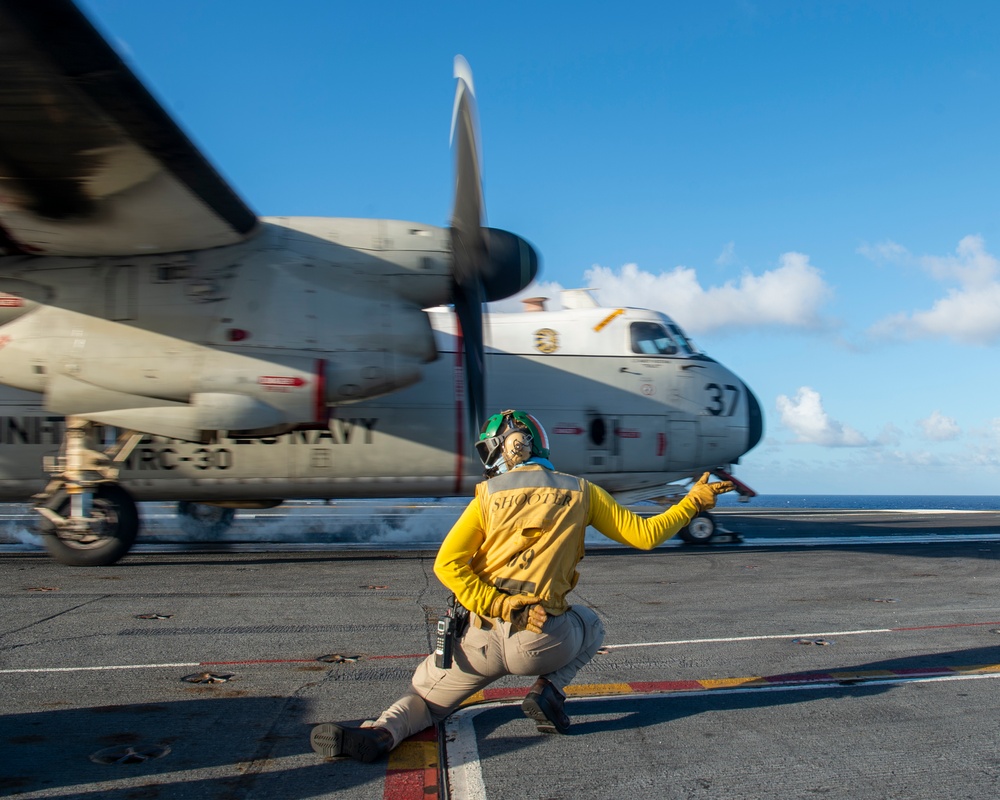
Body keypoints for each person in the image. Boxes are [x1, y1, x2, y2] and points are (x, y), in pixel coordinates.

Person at [311, 409, 733, 762]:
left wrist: (497, 603)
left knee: (423, 700)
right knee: (592, 623)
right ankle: (547, 692)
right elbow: (644, 535)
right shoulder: (582, 491)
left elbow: (448, 565)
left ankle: (383, 732)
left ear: (509, 447)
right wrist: (693, 501)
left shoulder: (487, 496)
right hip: (542, 640)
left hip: (479, 639)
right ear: (533, 443)